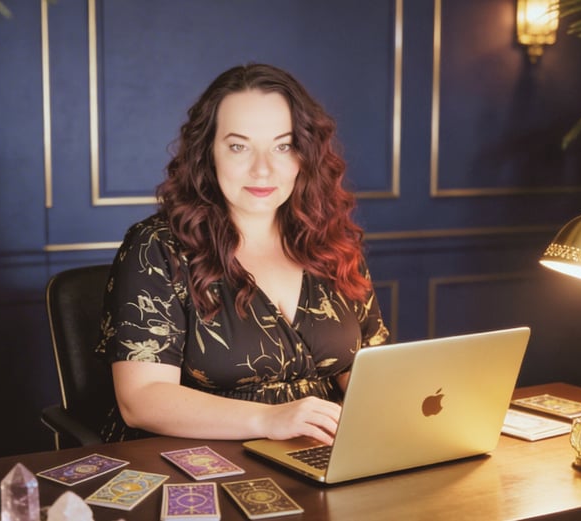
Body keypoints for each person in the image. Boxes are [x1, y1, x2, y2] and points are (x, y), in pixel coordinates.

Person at [95, 63, 389, 445]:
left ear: (305, 155)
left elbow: (367, 369)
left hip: (321, 457)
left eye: (283, 146)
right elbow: (142, 399)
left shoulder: (330, 242)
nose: (263, 169)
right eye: (238, 146)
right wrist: (271, 419)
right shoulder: (156, 248)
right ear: (208, 153)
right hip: (196, 461)